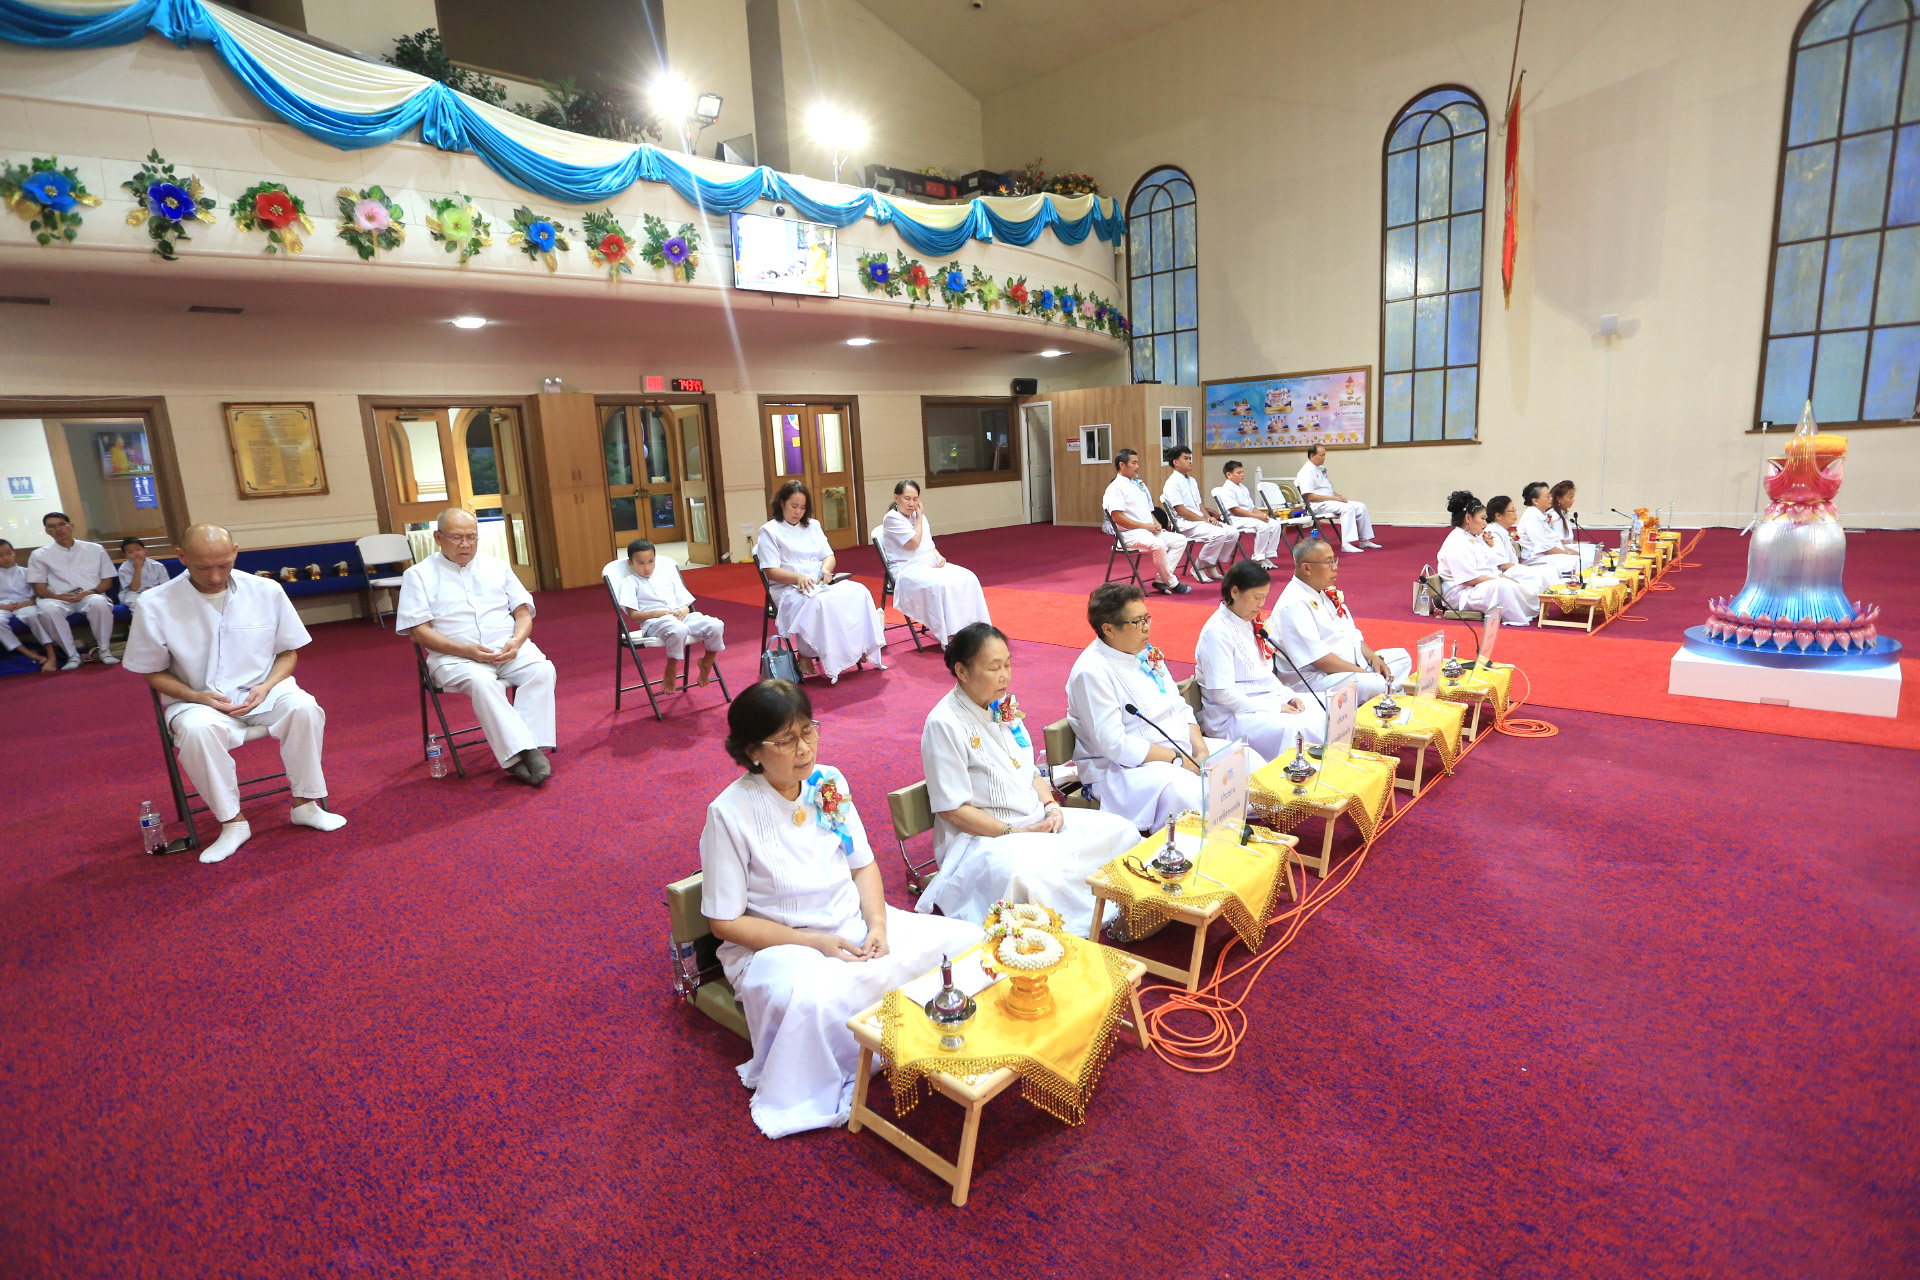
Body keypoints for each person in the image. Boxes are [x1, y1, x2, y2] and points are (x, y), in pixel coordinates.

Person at [700, 680, 982, 1138]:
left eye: (808, 731)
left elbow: (864, 866)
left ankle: (916, 1035)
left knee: (965, 942)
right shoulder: (728, 813)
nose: (804, 748)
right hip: (780, 945)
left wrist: (878, 925)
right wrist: (813, 942)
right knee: (818, 1000)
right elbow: (725, 922)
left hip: (852, 922)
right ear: (752, 751)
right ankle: (855, 1064)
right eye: (786, 740)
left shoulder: (829, 781)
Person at [121, 524, 347, 864]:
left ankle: (306, 804)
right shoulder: (155, 603)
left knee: (305, 708)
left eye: (223, 565)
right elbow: (151, 672)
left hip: (263, 689)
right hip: (196, 697)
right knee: (197, 733)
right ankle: (233, 822)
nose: (214, 576)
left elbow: (287, 653)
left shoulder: (265, 590)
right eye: (202, 567)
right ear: (180, 556)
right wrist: (196, 697)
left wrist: (267, 685)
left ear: (236, 552)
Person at [917, 623, 1139, 936]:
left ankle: (1119, 906)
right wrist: (1014, 831)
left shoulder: (1002, 706)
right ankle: (1080, 928)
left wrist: (1051, 805)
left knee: (1122, 830)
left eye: (1007, 664)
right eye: (994, 668)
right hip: (984, 838)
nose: (1005, 675)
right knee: (1033, 875)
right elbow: (952, 810)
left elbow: (1030, 771)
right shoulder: (944, 723)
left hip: (1035, 819)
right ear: (962, 671)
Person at [1066, 582, 1268, 830]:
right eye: (1137, 622)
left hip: (1178, 748)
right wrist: (1178, 760)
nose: (1146, 628)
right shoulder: (1091, 672)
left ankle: (1234, 826)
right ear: (1108, 628)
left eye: (1146, 619)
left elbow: (1179, 706)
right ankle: (1210, 845)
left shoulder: (1143, 652)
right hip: (1125, 769)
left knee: (1247, 760)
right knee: (1190, 789)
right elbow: (1115, 745)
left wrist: (1200, 749)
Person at [397, 507, 557, 786]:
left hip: (507, 648)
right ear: (438, 537)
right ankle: (524, 753)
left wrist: (517, 642)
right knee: (483, 683)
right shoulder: (418, 575)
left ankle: (526, 749)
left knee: (543, 670)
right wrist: (466, 651)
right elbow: (419, 632)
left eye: (472, 537)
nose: (466, 544)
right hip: (455, 657)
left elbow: (522, 613)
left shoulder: (497, 566)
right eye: (457, 537)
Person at [1194, 560, 1328, 758]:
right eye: (1257, 597)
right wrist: (1275, 707)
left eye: (1264, 597)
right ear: (1234, 592)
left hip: (1262, 700)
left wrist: (1287, 696)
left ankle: (1326, 768)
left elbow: (1263, 674)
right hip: (1232, 717)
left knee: (1323, 705)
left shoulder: (1247, 622)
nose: (1261, 604)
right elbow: (1223, 695)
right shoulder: (1216, 632)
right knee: (1294, 727)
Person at [756, 480, 886, 683]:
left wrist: (826, 570)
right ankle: (805, 654)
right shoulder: (769, 530)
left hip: (818, 581)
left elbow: (829, 555)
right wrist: (799, 578)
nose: (798, 512)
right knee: (819, 603)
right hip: (788, 585)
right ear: (782, 503)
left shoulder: (813, 526)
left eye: (802, 507)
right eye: (794, 506)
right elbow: (770, 570)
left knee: (858, 591)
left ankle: (857, 648)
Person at [1273, 538, 1412, 704]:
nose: (1335, 567)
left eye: (1334, 560)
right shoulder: (1293, 604)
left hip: (1350, 668)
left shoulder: (1323, 593)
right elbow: (1321, 661)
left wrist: (1374, 658)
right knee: (1375, 683)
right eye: (1328, 562)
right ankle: (1382, 695)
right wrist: (1366, 674)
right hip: (1317, 679)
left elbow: (1353, 636)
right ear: (1307, 568)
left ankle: (1381, 694)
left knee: (1402, 657)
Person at [878, 480, 990, 646]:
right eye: (907, 498)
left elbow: (928, 544)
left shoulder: (918, 517)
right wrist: (920, 518)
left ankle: (976, 630)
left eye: (915, 499)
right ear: (896, 498)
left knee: (969, 577)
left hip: (927, 562)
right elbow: (914, 543)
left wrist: (938, 555)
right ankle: (951, 634)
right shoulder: (891, 519)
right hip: (906, 568)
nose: (911, 504)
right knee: (942, 585)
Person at [616, 538, 723, 693]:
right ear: (630, 563)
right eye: (641, 563)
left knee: (716, 625)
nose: (647, 567)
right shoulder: (630, 582)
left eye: (651, 561)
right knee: (678, 629)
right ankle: (671, 668)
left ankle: (707, 660)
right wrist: (656, 613)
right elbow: (634, 616)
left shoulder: (666, 577)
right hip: (655, 622)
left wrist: (685, 610)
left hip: (680, 616)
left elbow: (685, 603)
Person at [27, 511, 118, 669]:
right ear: (47, 531)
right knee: (48, 610)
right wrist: (57, 596)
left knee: (99, 603)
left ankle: (104, 650)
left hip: (89, 594)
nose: (58, 529)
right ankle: (72, 655)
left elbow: (107, 580)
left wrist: (92, 592)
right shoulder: (39, 555)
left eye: (62, 524)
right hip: (57, 598)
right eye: (52, 527)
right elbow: (39, 588)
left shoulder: (96, 549)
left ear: (71, 526)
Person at [1436, 491, 1538, 627]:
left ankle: (1532, 611)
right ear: (1468, 518)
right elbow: (1470, 579)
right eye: (1483, 518)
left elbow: (1489, 567)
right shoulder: (1457, 542)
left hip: (1480, 585)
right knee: (1503, 586)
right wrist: (1500, 579)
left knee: (1521, 579)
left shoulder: (1475, 537)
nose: (1486, 523)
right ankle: (1518, 617)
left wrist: (1504, 577)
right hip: (1461, 594)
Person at [1103, 449, 1189, 595]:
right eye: (1134, 463)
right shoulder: (1115, 488)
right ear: (1122, 465)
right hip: (1130, 535)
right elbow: (1117, 518)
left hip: (1147, 531)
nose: (1137, 466)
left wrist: (1155, 524)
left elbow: (1149, 511)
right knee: (1159, 545)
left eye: (1138, 462)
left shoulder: (1138, 484)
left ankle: (1161, 580)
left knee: (1180, 540)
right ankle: (1172, 582)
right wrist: (1146, 526)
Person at [1161, 446, 1239, 583]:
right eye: (1186, 458)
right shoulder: (1171, 483)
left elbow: (1200, 505)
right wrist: (1204, 520)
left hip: (1199, 520)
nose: (1190, 461)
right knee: (1219, 534)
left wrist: (1209, 517)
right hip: (1185, 524)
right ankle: (1198, 567)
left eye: (1190, 458)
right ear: (1175, 462)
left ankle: (1209, 563)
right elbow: (1181, 511)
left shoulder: (1192, 481)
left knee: (1233, 532)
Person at [1294, 445, 1380, 555]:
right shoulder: (1305, 472)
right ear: (1312, 455)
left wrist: (1339, 496)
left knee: (1360, 506)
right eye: (1322, 455)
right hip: (1316, 505)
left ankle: (1364, 540)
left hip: (1329, 501)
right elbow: (1310, 497)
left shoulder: (1320, 469)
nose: (1324, 458)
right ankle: (1346, 543)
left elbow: (1327, 489)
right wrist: (1335, 499)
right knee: (1347, 508)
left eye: (1324, 455)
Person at [1486, 495, 1567, 593]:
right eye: (1512, 511)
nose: (1516, 514)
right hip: (1504, 573)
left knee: (1550, 570)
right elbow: (1502, 565)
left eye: (1515, 510)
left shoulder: (1502, 531)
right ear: (1498, 515)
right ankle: (1543, 602)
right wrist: (1525, 569)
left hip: (1513, 568)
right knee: (1539, 574)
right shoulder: (1492, 533)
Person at [0, 539, 59, 673]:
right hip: (2, 607)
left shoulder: (27, 572)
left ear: (14, 553)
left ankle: (51, 654)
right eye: (0, 556)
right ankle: (27, 652)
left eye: (8, 554)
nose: (5, 558)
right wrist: (5, 607)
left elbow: (38, 596)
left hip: (25, 604)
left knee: (33, 615)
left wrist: (23, 604)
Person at [1218, 460, 1286, 569]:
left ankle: (1267, 555)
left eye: (1243, 472)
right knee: (1262, 526)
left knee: (1274, 524)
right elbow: (1235, 510)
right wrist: (1257, 517)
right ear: (1229, 475)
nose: (1242, 475)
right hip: (1235, 518)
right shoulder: (1227, 488)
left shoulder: (1242, 487)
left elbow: (1252, 507)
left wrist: (1264, 516)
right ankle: (1258, 558)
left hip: (1248, 517)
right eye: (1239, 473)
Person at [116, 538, 171, 610]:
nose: (136, 554)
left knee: (162, 601)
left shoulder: (158, 566)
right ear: (125, 555)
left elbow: (166, 586)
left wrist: (153, 590)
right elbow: (134, 588)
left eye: (138, 550)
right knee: (141, 603)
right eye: (130, 552)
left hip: (154, 592)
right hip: (132, 594)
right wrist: (138, 569)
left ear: (145, 550)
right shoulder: (124, 569)